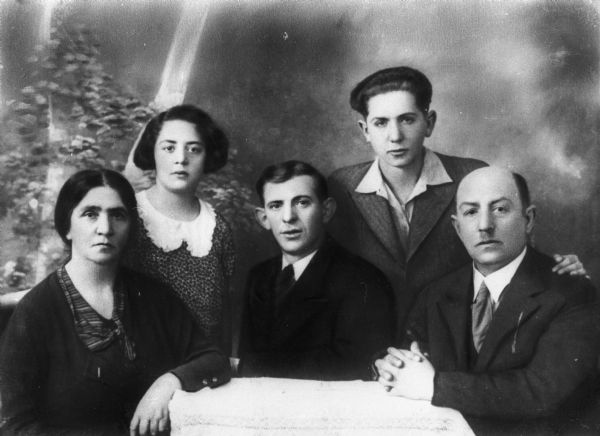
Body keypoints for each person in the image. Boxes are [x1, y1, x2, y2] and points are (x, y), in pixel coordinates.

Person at [328, 66, 587, 334]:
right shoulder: (341, 185)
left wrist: (556, 268)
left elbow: (515, 254)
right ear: (364, 130)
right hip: (364, 335)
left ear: (429, 123)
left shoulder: (471, 175)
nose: (395, 136)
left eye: (407, 119)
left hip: (455, 337)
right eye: (381, 122)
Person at [0, 169, 231, 435]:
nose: (105, 228)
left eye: (117, 215)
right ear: (67, 226)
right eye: (90, 214)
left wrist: (168, 382)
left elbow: (214, 359)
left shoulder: (153, 296)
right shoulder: (36, 311)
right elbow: (15, 427)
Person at [375, 166, 599, 434]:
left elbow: (542, 392)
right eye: (471, 212)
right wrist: (386, 364)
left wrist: (434, 386)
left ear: (528, 219)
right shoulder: (435, 293)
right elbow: (405, 354)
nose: (484, 225)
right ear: (458, 228)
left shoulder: (571, 291)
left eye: (500, 209)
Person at [237, 161, 394, 380]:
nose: (288, 217)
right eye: (275, 206)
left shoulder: (363, 280)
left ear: (326, 210)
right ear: (263, 219)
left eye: (302, 203)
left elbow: (357, 364)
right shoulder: (259, 276)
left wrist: (253, 365)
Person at [125, 105, 235, 352]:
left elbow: (225, 320)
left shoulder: (218, 229)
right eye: (169, 148)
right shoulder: (126, 216)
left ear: (207, 156)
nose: (181, 159)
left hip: (202, 373)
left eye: (194, 149)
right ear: (152, 153)